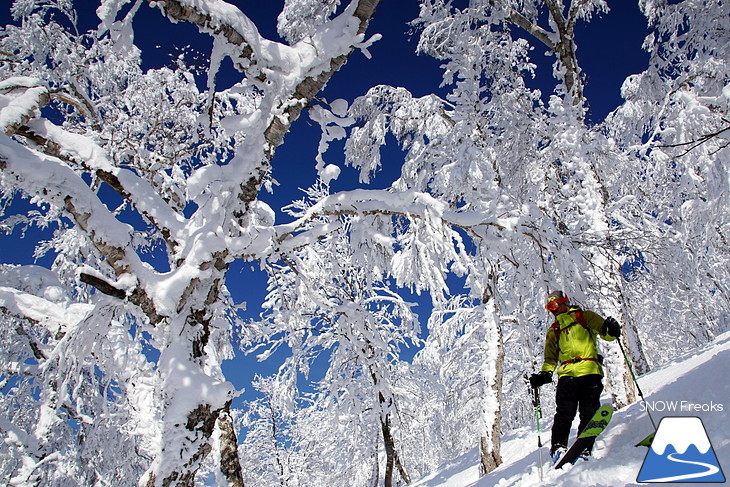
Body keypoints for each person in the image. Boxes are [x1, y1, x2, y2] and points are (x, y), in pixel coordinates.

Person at [529, 290, 621, 465]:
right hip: (567, 375)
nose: (552, 310)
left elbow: (606, 334)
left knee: (589, 411)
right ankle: (558, 448)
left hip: (590, 371)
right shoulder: (554, 330)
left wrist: (612, 330)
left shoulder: (585, 317)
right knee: (565, 411)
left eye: (554, 305)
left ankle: (584, 448)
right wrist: (545, 374)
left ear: (564, 302)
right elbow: (550, 358)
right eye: (549, 307)